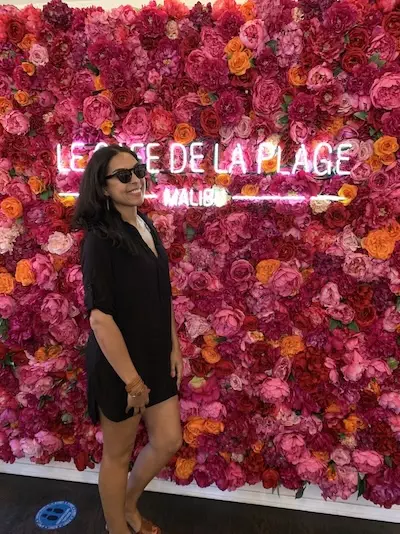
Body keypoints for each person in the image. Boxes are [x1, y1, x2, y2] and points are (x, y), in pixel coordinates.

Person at [74, 145, 183, 534]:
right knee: (117, 456)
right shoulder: (99, 240)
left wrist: (174, 345)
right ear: (102, 188)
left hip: (155, 355)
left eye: (137, 171)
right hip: (120, 366)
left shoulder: (145, 224)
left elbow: (162, 292)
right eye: (122, 176)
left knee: (168, 439)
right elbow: (100, 319)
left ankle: (129, 504)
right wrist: (133, 382)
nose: (135, 180)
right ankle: (116, 527)